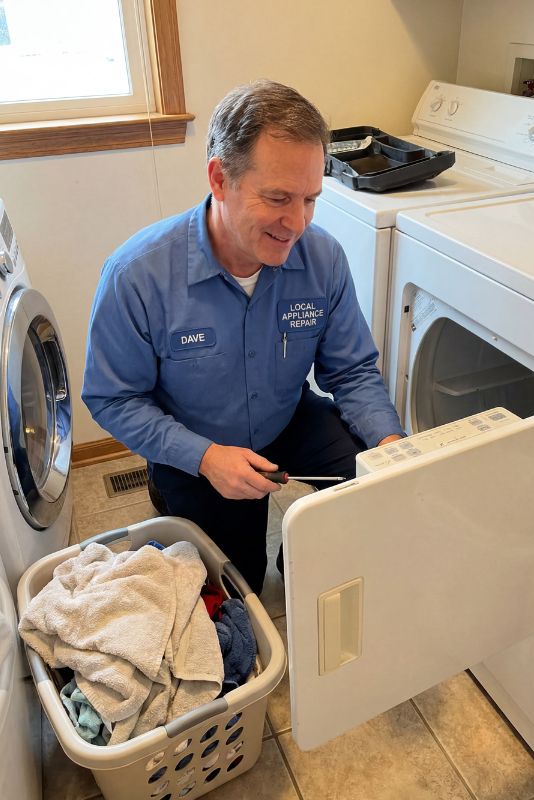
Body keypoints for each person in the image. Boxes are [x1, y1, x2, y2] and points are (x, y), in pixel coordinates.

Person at [82, 80, 404, 594]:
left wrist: (390, 446)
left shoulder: (323, 259)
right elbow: (113, 398)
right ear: (219, 178)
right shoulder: (136, 275)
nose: (296, 223)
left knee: (370, 488)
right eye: (277, 198)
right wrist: (205, 458)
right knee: (237, 589)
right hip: (196, 439)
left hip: (287, 415)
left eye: (310, 200)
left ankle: (306, 570)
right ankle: (168, 489)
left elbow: (352, 370)